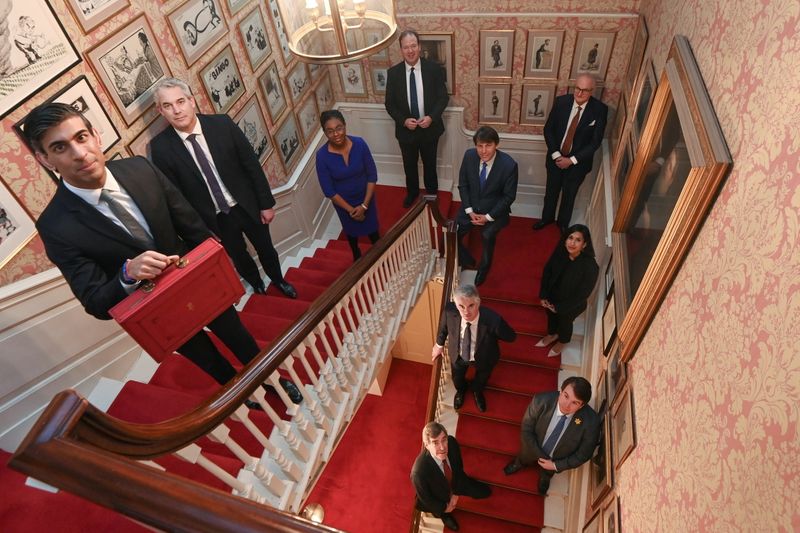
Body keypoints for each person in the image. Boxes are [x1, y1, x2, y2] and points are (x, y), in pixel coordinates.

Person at [24, 102, 260, 390]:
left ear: (95, 136)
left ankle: (272, 381)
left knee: (242, 340)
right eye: (60, 148)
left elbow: (193, 227)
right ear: (44, 159)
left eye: (81, 137)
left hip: (198, 283)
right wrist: (127, 274)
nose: (79, 154)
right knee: (211, 364)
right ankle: (242, 396)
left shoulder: (140, 167)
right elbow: (96, 302)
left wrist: (220, 276)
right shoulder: (55, 226)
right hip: (157, 313)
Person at [150, 78, 296, 299]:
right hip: (216, 219)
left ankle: (278, 279)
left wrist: (266, 204)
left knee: (266, 248)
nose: (177, 110)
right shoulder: (160, 148)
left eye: (180, 101)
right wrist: (200, 230)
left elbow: (251, 165)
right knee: (239, 257)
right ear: (161, 111)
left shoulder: (222, 124)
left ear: (192, 101)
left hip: (246, 205)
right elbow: (176, 198)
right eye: (168, 106)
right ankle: (256, 284)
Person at [533, 74, 608, 233]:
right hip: (555, 159)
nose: (579, 94)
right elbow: (549, 130)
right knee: (551, 192)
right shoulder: (562, 102)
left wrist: (571, 160)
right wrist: (556, 155)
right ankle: (546, 219)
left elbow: (595, 142)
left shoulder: (600, 110)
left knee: (569, 195)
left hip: (578, 164)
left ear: (592, 91)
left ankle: (563, 224)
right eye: (577, 89)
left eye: (585, 91)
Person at [503, 376, 601, 495]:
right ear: (561, 391)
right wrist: (539, 454)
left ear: (581, 406)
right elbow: (526, 429)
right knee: (524, 457)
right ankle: (518, 464)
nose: (567, 405)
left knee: (547, 472)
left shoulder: (591, 422)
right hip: (531, 446)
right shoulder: (541, 401)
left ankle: (545, 477)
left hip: (556, 458)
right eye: (566, 396)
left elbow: (583, 455)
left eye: (575, 402)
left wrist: (555, 465)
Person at [384, 29, 449, 208]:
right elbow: (389, 104)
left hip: (430, 129)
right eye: (406, 47)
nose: (410, 50)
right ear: (401, 50)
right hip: (406, 132)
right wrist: (404, 121)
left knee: (430, 166)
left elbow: (443, 97)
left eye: (413, 46)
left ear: (419, 47)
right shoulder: (393, 73)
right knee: (409, 166)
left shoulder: (434, 69)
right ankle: (412, 193)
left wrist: (431, 117)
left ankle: (432, 195)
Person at [432, 284, 516, 412]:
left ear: (478, 303)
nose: (466, 311)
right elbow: (443, 328)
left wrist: (497, 328)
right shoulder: (449, 311)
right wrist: (439, 345)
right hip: (458, 355)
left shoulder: (493, 320)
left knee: (481, 379)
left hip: (485, 357)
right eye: (461, 306)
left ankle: (477, 391)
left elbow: (511, 337)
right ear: (456, 305)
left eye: (471, 305)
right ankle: (461, 391)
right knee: (457, 379)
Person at [455, 126, 518, 286]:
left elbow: (509, 196)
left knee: (487, 236)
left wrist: (488, 217)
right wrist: (469, 211)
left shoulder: (509, 165)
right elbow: (463, 185)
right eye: (480, 146)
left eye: (488, 145)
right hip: (471, 207)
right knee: (452, 232)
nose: (483, 151)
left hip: (494, 211)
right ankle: (466, 258)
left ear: (496, 144)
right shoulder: (469, 156)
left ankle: (484, 267)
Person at [315, 110, 380, 261]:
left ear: (345, 126)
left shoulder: (360, 144)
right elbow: (328, 191)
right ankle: (356, 253)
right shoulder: (322, 156)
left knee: (373, 232)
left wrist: (364, 206)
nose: (336, 134)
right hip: (344, 204)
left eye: (339, 128)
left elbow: (372, 175)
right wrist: (351, 210)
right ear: (325, 133)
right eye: (330, 131)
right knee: (351, 233)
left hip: (366, 197)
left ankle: (380, 252)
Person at [411, 422, 491, 531]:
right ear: (427, 445)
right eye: (435, 443)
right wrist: (445, 507)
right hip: (439, 497)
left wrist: (456, 494)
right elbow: (427, 499)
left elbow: (458, 468)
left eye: (444, 439)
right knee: (442, 511)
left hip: (457, 482)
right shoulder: (419, 473)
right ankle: (444, 516)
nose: (443, 447)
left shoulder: (452, 442)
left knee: (484, 492)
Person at [537, 224, 599, 356]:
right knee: (550, 316)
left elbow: (583, 294)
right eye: (570, 238)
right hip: (552, 297)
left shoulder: (590, 266)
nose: (572, 243)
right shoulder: (560, 253)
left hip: (572, 304)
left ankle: (563, 341)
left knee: (565, 322)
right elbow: (547, 272)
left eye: (578, 240)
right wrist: (543, 295)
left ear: (584, 244)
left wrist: (560, 307)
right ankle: (552, 334)